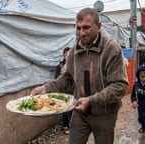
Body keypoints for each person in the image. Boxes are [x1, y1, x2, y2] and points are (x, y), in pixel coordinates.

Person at [30, 8, 129, 144]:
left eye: (86, 28)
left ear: (99, 26)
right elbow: (66, 78)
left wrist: (91, 100)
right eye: (78, 28)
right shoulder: (73, 51)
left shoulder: (112, 50)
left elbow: (120, 86)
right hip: (79, 112)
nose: (81, 33)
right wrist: (46, 88)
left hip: (105, 112)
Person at [55, 47, 72, 135]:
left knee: (72, 108)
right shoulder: (60, 66)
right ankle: (65, 126)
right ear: (64, 55)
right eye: (66, 54)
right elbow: (56, 79)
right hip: (64, 91)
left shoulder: (74, 66)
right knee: (65, 109)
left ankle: (70, 124)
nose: (68, 56)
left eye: (70, 54)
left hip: (73, 90)